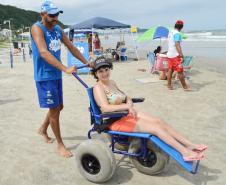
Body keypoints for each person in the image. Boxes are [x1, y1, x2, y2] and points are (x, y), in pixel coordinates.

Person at [91, 57, 207, 162]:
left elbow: (124, 96)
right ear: (96, 73)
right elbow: (105, 108)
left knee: (159, 121)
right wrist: (127, 106)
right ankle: (185, 153)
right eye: (100, 71)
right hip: (115, 120)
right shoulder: (98, 87)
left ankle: (189, 145)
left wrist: (129, 101)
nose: (104, 73)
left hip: (125, 114)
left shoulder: (112, 82)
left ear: (110, 69)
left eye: (106, 69)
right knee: (155, 128)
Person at [31, 1, 93, 158]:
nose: (55, 18)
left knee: (59, 107)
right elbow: (44, 52)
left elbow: (71, 47)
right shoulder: (37, 28)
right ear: (42, 15)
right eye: (51, 15)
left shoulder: (58, 29)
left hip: (56, 74)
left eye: (57, 14)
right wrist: (65, 68)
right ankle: (60, 144)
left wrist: (86, 62)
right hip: (45, 76)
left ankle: (43, 129)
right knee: (54, 110)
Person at [167, 20, 191, 90]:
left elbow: (170, 43)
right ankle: (185, 87)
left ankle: (169, 85)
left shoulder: (170, 32)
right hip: (175, 55)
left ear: (175, 25)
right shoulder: (177, 34)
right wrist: (181, 55)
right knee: (180, 71)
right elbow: (177, 44)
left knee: (170, 70)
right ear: (181, 27)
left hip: (169, 54)